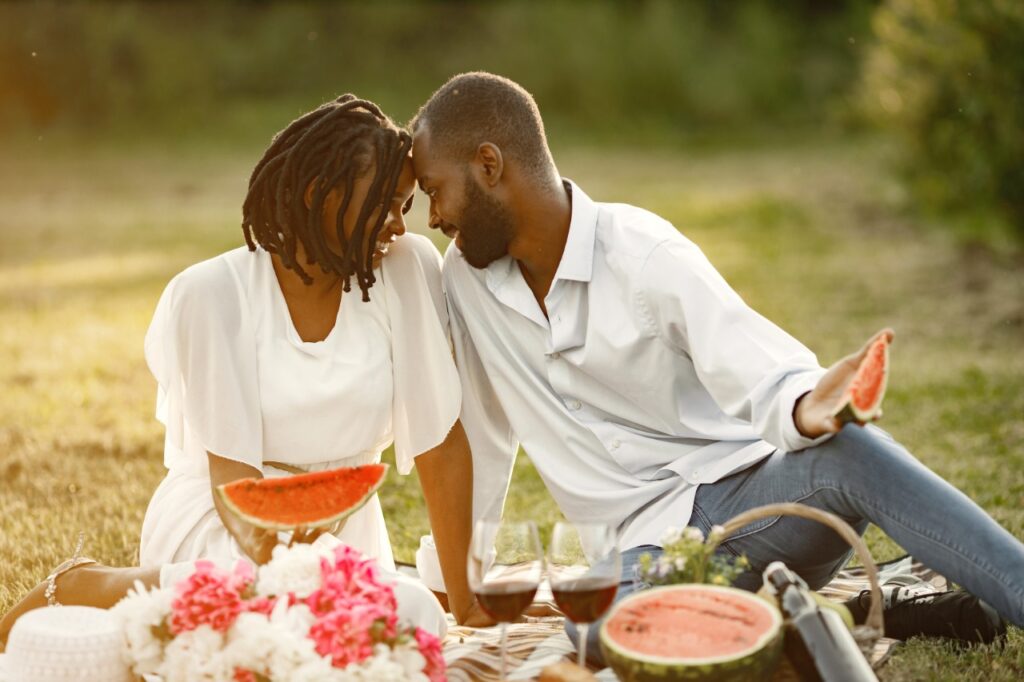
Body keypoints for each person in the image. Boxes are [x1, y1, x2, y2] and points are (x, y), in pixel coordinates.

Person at [409, 72, 1023, 663]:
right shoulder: (467, 282)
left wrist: (809, 407)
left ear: (488, 166)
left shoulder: (644, 255)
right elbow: (482, 435)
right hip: (639, 555)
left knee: (855, 451)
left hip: (752, 508)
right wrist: (459, 578)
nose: (433, 217)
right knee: (595, 630)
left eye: (435, 190)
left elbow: (757, 362)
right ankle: (837, 616)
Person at [1, 94, 487, 647]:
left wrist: (465, 603)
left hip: (345, 530)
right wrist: (297, 582)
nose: (399, 226)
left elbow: (440, 447)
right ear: (316, 193)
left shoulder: (406, 269)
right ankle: (93, 584)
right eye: (382, 205)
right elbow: (235, 483)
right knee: (287, 628)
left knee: (411, 619)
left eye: (403, 205)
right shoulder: (211, 294)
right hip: (227, 528)